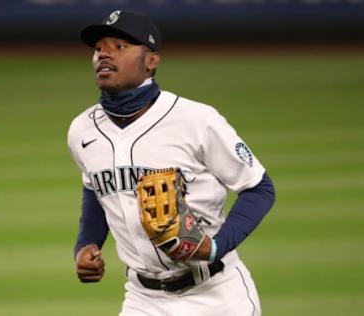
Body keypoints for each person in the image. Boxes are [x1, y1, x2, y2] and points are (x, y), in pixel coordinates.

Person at [67, 10, 276, 316]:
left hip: (217, 296)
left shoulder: (196, 120)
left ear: (151, 60)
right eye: (98, 48)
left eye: (119, 47)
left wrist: (216, 246)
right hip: (143, 300)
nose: (104, 54)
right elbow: (95, 191)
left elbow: (259, 188)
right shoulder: (82, 130)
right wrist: (86, 244)